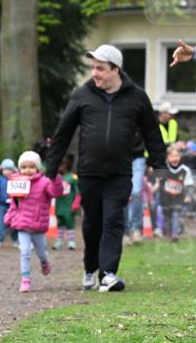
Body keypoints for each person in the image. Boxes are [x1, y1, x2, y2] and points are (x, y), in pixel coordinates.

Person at [46, 44, 166, 293]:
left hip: (120, 172)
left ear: (115, 69)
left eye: (100, 69)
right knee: (92, 224)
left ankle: (108, 273)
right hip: (89, 172)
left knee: (113, 220)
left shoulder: (137, 97)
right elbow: (63, 133)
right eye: (93, 68)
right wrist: (51, 169)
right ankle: (90, 268)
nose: (94, 74)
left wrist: (160, 167)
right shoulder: (82, 95)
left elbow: (152, 134)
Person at [4, 151, 65, 293]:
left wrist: (55, 178)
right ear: (19, 168)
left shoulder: (45, 183)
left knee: (41, 253)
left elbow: (56, 193)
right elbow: (14, 203)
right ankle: (25, 280)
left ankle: (44, 262)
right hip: (22, 225)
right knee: (24, 251)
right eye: (24, 167)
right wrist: (9, 216)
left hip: (38, 226)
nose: (28, 170)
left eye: (31, 167)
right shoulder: (16, 183)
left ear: (37, 168)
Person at [151, 146, 195, 242]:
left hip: (178, 197)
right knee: (167, 216)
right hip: (165, 197)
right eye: (172, 156)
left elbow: (190, 184)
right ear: (167, 158)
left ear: (180, 157)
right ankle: (169, 232)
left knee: (176, 213)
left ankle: (175, 235)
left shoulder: (185, 170)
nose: (175, 158)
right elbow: (158, 181)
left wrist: (189, 195)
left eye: (177, 156)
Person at [53, 154, 80, 251]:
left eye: (61, 165)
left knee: (69, 222)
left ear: (67, 165)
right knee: (60, 222)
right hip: (59, 204)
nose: (59, 167)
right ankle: (59, 241)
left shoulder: (73, 177)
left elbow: (77, 192)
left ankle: (71, 241)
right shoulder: (57, 177)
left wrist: (76, 203)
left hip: (69, 205)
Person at [0, 158, 17, 248]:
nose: (8, 172)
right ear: (2, 170)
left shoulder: (15, 179)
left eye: (10, 169)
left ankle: (15, 240)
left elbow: (22, 178)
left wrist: (16, 171)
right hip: (0, 204)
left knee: (14, 223)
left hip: (12, 205)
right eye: (5, 169)